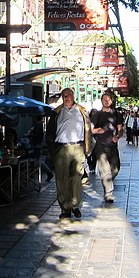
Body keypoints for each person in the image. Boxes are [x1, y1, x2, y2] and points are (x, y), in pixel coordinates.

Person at [45, 88, 92, 219]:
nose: (66, 98)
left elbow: (88, 130)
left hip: (78, 147)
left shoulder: (82, 111)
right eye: (64, 96)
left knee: (77, 177)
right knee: (62, 179)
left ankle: (75, 204)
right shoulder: (56, 113)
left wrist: (88, 148)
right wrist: (52, 149)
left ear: (73, 96)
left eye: (69, 95)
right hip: (61, 148)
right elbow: (49, 132)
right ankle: (65, 208)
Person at [89, 91, 124, 203]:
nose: (106, 101)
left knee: (115, 168)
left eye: (108, 99)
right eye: (104, 99)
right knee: (104, 169)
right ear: (101, 101)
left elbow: (120, 129)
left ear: (111, 101)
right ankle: (108, 193)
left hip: (112, 145)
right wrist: (97, 130)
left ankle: (108, 180)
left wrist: (118, 136)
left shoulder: (116, 114)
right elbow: (91, 129)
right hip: (100, 145)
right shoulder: (97, 115)